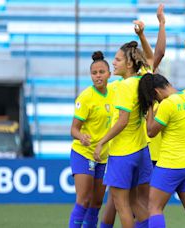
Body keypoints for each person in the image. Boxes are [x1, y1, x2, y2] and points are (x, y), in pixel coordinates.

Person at [99, 6, 166, 227]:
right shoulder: (143, 78)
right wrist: (141, 35)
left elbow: (122, 121)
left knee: (122, 205)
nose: (114, 62)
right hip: (141, 150)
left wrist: (102, 141)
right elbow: (149, 57)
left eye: (118, 59)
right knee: (139, 203)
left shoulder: (123, 86)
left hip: (123, 152)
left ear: (129, 64)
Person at [138, 36, 185, 228]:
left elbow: (151, 132)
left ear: (156, 93)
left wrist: (149, 107)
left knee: (154, 207)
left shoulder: (168, 105)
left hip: (170, 164)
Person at [68, 51, 113, 228]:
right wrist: (82, 137)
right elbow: (73, 129)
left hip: (103, 156)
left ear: (109, 74)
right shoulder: (86, 97)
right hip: (84, 153)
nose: (98, 76)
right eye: (94, 73)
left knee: (96, 203)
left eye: (101, 72)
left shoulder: (115, 93)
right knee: (84, 199)